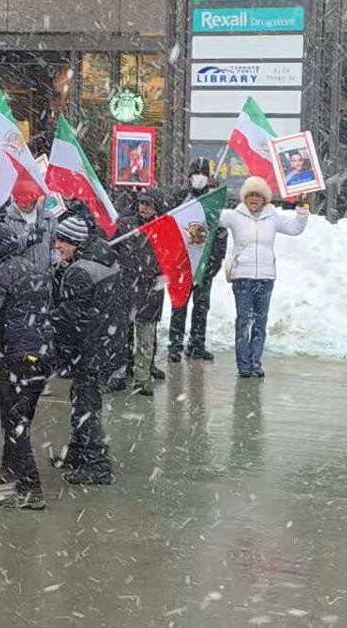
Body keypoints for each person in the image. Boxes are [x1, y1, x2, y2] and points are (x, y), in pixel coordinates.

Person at [0, 222, 54, 509]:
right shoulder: (35, 269)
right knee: (18, 417)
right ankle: (10, 469)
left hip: (17, 355)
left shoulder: (0, 276)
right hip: (41, 352)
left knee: (16, 420)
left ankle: (31, 489)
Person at [51, 216, 119, 485]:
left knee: (85, 404)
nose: (57, 246)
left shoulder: (80, 271)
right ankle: (78, 451)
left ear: (75, 242)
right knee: (82, 397)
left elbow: (70, 316)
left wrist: (47, 323)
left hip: (90, 347)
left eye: (61, 241)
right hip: (106, 343)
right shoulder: (103, 260)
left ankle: (97, 463)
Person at [220, 177, 309, 378]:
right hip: (242, 277)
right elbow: (210, 215)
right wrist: (207, 196)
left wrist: (302, 209)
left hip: (265, 278)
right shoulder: (235, 216)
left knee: (260, 323)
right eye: (250, 195)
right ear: (245, 197)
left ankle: (255, 363)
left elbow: (295, 228)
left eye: (258, 195)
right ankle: (244, 365)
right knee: (244, 322)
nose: (254, 199)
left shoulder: (273, 217)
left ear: (265, 199)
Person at [171, 158, 228, 362]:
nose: (199, 177)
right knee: (179, 306)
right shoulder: (179, 198)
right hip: (183, 263)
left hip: (205, 263)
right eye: (197, 173)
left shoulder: (213, 201)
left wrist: (215, 262)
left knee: (202, 306)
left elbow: (220, 234)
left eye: (204, 174)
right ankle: (175, 345)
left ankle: (197, 344)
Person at [120, 189, 165, 395]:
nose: (144, 207)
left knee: (146, 337)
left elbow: (171, 257)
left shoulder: (164, 228)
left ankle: (142, 378)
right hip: (127, 286)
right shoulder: (126, 225)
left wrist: (161, 278)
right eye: (142, 203)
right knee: (123, 336)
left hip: (151, 289)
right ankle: (121, 373)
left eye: (149, 204)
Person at [0, 192, 56, 273]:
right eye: (20, 200)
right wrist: (26, 240)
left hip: (45, 275)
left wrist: (55, 260)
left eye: (28, 200)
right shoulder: (6, 218)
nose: (25, 204)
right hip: (20, 275)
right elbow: (4, 250)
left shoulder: (48, 218)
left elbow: (54, 245)